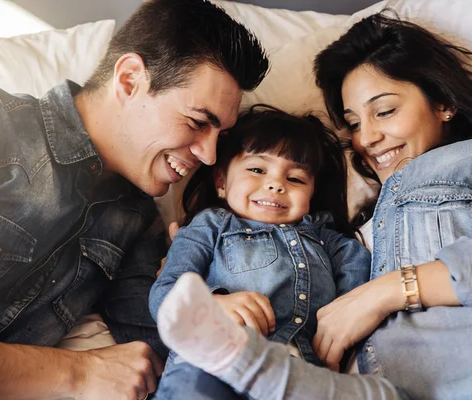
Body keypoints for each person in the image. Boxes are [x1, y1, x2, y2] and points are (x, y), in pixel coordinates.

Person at [153, 12, 472, 400]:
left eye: (383, 111)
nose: (366, 138)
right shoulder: (355, 222)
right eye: (352, 124)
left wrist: (389, 291)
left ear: (442, 102)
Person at [0, 0, 268, 398]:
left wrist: (203, 283)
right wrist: (77, 374)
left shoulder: (137, 219)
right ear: (128, 79)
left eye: (219, 137)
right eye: (196, 122)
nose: (209, 156)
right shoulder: (1, 125)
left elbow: (164, 356)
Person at [149, 106, 371, 399]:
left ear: (312, 193)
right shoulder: (211, 226)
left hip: (294, 373)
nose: (275, 184)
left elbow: (358, 290)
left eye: (296, 179)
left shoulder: (330, 241)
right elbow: (165, 293)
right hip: (213, 359)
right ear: (221, 182)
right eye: (257, 169)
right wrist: (213, 305)